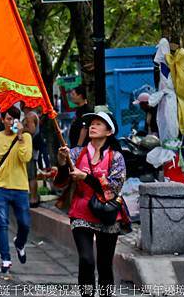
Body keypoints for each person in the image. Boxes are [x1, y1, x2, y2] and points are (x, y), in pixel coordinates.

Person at [55, 111, 130, 297]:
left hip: (108, 214)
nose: (92, 127)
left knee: (104, 265)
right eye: (91, 124)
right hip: (81, 211)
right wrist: (63, 163)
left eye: (98, 124)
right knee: (86, 260)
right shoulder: (76, 152)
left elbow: (112, 189)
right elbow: (61, 182)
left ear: (109, 132)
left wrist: (86, 177)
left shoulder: (116, 158)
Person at [0, 106, 33, 275]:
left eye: (14, 120)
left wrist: (20, 137)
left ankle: (19, 243)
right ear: (2, 120)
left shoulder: (26, 137)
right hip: (0, 186)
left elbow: (26, 157)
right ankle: (5, 259)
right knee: (2, 223)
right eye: (8, 119)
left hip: (20, 187)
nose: (11, 123)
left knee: (24, 223)